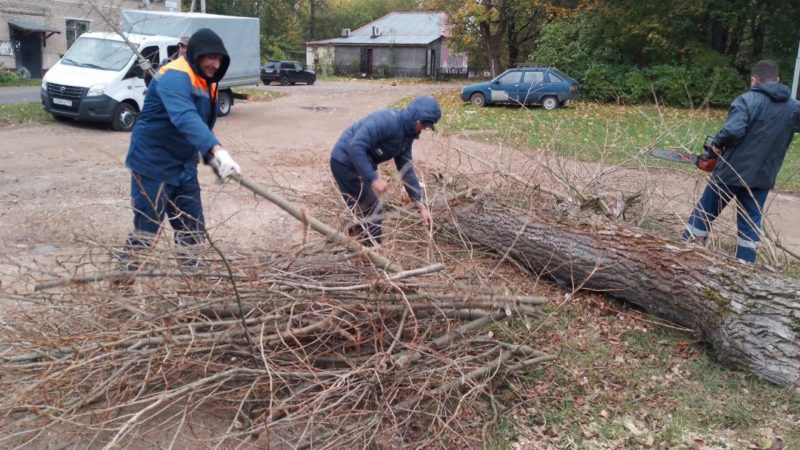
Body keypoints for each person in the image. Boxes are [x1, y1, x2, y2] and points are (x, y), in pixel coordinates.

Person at [118, 28, 241, 270]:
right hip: (153, 164)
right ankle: (122, 282)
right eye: (210, 57)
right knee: (147, 230)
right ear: (196, 54)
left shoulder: (208, 82)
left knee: (192, 227)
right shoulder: (174, 75)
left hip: (184, 165)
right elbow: (185, 117)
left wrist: (211, 156)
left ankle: (192, 279)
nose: (215, 64)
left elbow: (201, 126)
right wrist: (217, 151)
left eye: (220, 59)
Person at [682, 60, 800, 263]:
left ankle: (687, 255)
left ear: (754, 80)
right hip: (763, 177)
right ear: (777, 80)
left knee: (704, 213)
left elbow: (733, 131)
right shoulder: (794, 107)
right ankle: (744, 268)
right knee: (749, 224)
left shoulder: (747, 100)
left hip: (732, 172)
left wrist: (717, 144)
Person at [330, 95, 441, 247]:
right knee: (373, 212)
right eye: (424, 124)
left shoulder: (406, 136)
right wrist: (373, 179)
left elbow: (406, 169)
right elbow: (355, 146)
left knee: (360, 209)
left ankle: (337, 243)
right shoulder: (386, 121)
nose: (424, 129)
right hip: (344, 163)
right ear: (416, 118)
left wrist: (419, 203)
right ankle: (372, 255)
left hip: (358, 167)